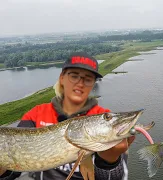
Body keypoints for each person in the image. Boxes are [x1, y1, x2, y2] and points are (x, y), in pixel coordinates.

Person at [0, 52, 135, 180]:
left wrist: (109, 161)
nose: (80, 83)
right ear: (62, 78)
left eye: (88, 79)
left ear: (93, 84)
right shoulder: (36, 115)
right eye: (74, 76)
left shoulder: (103, 118)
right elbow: (13, 169)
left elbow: (117, 177)